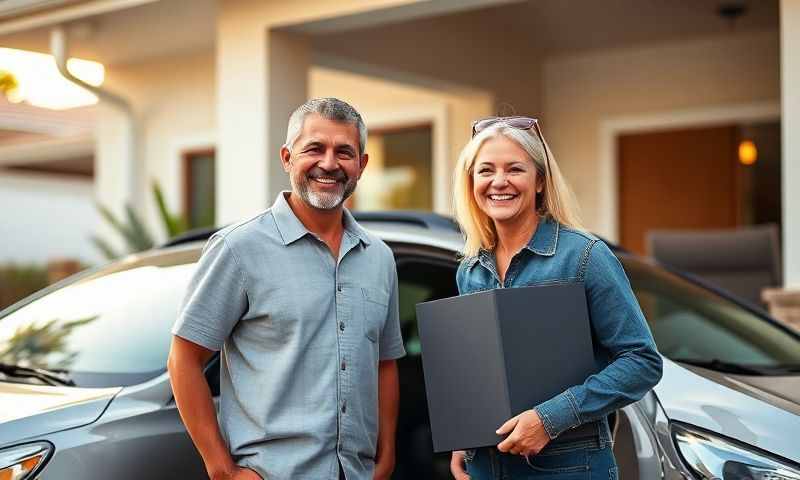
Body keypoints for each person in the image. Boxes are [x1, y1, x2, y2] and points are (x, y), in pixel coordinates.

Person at [167, 98, 405, 480]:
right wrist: (222, 470)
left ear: (361, 165)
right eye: (314, 148)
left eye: (344, 152)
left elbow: (385, 362)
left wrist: (387, 453)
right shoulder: (239, 248)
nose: (329, 163)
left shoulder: (379, 257)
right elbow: (184, 359)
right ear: (287, 157)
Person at [449, 116, 663, 479]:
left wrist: (549, 420)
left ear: (540, 181)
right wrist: (464, 438)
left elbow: (642, 362)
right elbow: (481, 372)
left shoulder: (585, 257)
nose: (499, 181)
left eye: (514, 169)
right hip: (487, 465)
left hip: (568, 465)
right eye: (486, 170)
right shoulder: (470, 270)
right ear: (471, 183)